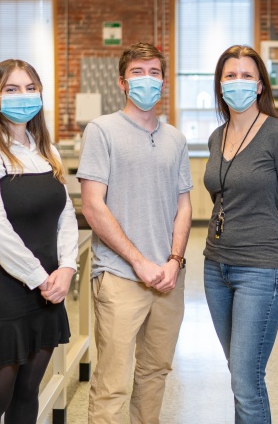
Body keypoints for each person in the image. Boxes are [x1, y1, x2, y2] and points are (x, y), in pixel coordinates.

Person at [0, 59, 78, 424]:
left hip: (49, 289)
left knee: (27, 397)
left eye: (30, 88)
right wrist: (41, 278)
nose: (23, 96)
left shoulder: (46, 150)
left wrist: (68, 267)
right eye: (11, 89)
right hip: (4, 291)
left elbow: (66, 213)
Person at [78, 42, 192, 424]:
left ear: (164, 82)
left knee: (155, 373)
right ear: (123, 82)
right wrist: (140, 262)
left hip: (168, 278)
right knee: (112, 383)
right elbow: (93, 205)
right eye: (138, 73)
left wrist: (174, 261)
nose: (147, 80)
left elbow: (184, 206)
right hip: (119, 275)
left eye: (154, 73)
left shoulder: (175, 138)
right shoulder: (101, 131)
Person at [203, 45, 278, 424]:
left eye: (247, 76)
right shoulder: (217, 136)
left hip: (262, 270)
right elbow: (219, 196)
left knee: (247, 380)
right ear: (219, 84)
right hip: (215, 268)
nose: (238, 83)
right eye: (230, 75)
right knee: (239, 375)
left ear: (261, 86)